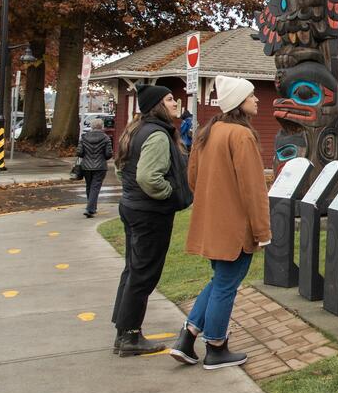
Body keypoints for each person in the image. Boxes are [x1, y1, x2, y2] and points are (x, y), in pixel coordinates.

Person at [170, 76, 269, 369]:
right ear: (239, 102)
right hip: (235, 228)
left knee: (220, 282)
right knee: (226, 286)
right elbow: (253, 190)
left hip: (212, 223)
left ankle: (187, 338)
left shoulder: (208, 132)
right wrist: (262, 231)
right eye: (252, 95)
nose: (257, 99)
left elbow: (192, 179)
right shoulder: (242, 136)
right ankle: (216, 346)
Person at [111, 84, 192, 357]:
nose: (175, 103)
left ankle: (123, 331)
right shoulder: (157, 135)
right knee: (144, 273)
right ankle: (131, 336)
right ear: (157, 104)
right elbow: (148, 177)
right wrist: (168, 193)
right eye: (170, 99)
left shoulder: (135, 130)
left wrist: (132, 190)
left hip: (133, 207)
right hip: (150, 213)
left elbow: (120, 168)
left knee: (133, 270)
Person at [77, 118, 113, 217]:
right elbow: (108, 154)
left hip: (86, 166)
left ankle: (91, 207)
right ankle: (90, 209)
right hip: (100, 166)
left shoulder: (84, 137)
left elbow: (79, 152)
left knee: (89, 186)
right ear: (102, 127)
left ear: (91, 126)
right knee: (95, 187)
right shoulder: (106, 138)